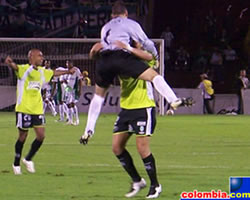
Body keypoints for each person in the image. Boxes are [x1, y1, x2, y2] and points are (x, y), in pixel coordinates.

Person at [80, 0, 193, 145]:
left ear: (112, 15)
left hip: (104, 60)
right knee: (154, 76)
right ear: (126, 13)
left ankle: (88, 130)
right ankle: (173, 100)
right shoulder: (130, 24)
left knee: (98, 96)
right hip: (121, 57)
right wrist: (156, 57)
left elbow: (97, 50)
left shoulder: (105, 27)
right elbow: (147, 43)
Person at [82, 40, 162, 198]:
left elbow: (151, 58)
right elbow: (95, 55)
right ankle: (137, 181)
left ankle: (155, 185)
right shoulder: (121, 61)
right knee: (117, 147)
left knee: (142, 148)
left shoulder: (146, 59)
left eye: (136, 43)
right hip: (126, 109)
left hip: (143, 107)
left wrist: (129, 48)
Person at [4, 49, 75, 175]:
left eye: (42, 56)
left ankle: (28, 159)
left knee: (41, 136)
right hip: (24, 108)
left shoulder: (43, 72)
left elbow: (54, 73)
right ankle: (16, 163)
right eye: (39, 56)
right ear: (31, 57)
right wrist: (10, 63)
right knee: (22, 136)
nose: (42, 58)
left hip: (37, 109)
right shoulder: (24, 69)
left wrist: (68, 71)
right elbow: (16, 67)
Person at [64, 60, 83, 125]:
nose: (68, 64)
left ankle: (77, 120)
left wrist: (80, 89)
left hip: (74, 89)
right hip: (67, 89)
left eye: (69, 63)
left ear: (72, 63)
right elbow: (65, 81)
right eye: (67, 63)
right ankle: (70, 120)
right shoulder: (66, 71)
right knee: (68, 104)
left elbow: (80, 80)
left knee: (72, 104)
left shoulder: (76, 70)